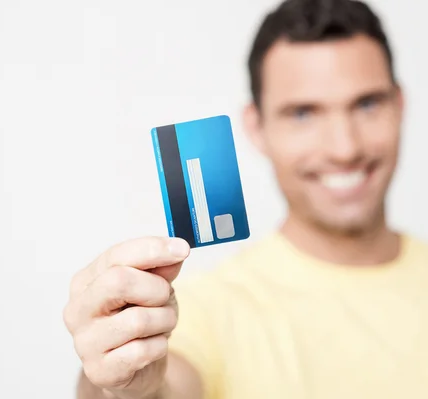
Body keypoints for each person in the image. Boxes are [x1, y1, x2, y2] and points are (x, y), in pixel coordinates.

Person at [62, 0, 428, 397]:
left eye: (367, 104)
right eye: (303, 113)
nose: (344, 148)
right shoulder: (204, 310)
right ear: (256, 127)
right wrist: (128, 381)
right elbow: (161, 387)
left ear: (400, 106)